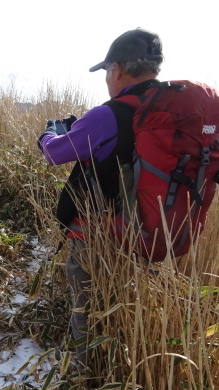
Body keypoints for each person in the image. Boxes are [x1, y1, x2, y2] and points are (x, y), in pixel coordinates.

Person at [37, 28, 164, 364]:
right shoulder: (165, 112)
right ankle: (122, 362)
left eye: (108, 71)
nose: (108, 79)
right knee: (123, 302)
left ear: (117, 70)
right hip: (147, 228)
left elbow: (53, 154)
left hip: (98, 232)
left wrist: (51, 131)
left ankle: (83, 376)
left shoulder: (109, 114)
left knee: (86, 307)